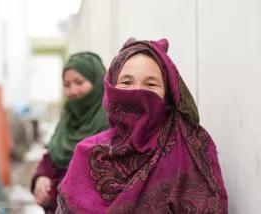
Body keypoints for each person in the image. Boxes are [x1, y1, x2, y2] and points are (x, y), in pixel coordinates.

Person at [56, 38, 228, 213]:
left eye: (151, 84)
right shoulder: (87, 154)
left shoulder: (191, 147)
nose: (137, 91)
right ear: (111, 89)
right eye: (126, 82)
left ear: (167, 93)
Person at [31, 52, 108, 213]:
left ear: (98, 82)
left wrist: (51, 190)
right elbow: (51, 155)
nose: (73, 91)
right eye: (67, 85)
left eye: (79, 82)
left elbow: (97, 183)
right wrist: (41, 177)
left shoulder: (112, 124)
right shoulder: (68, 118)